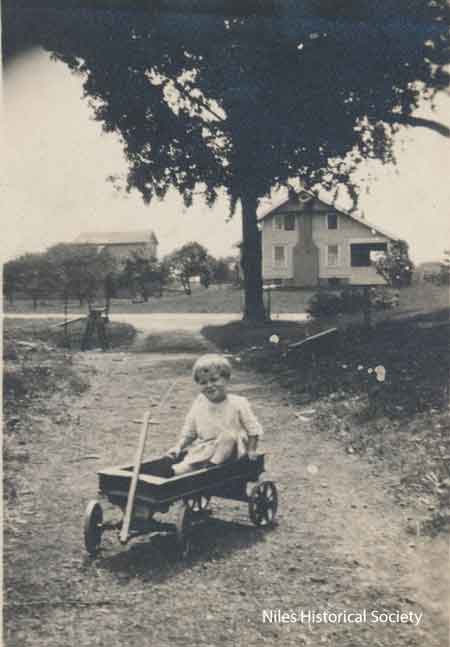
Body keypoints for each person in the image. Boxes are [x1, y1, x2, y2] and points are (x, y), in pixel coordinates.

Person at [165, 354, 263, 476]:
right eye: (203, 382)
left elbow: (253, 429)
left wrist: (252, 450)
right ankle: (177, 473)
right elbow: (190, 432)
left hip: (232, 451)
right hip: (206, 450)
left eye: (214, 380)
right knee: (183, 468)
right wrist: (178, 446)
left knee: (228, 436)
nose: (209, 386)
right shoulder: (199, 403)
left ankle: (211, 468)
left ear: (226, 379)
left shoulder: (237, 403)